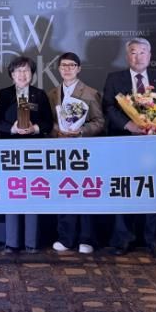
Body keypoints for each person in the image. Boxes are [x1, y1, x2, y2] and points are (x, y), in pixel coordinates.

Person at [103, 37, 156, 259]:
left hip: (154, 146)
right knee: (124, 190)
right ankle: (123, 239)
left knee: (155, 192)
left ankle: (155, 241)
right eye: (133, 52)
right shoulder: (115, 79)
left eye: (142, 52)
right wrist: (129, 125)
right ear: (127, 56)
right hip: (125, 143)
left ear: (149, 56)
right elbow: (108, 107)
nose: (138, 56)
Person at [0, 56, 53, 254]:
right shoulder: (3, 95)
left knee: (32, 194)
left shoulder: (40, 95)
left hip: (34, 151)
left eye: (26, 70)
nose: (22, 74)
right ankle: (12, 242)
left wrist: (35, 128)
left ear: (32, 74)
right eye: (18, 71)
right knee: (12, 194)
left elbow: (48, 122)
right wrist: (12, 129)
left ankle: (31, 242)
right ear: (12, 74)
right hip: (9, 150)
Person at [47, 52, 104, 254]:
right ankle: (66, 238)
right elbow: (48, 122)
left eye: (72, 65)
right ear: (59, 69)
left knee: (85, 194)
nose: (67, 69)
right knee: (65, 193)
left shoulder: (90, 92)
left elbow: (99, 122)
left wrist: (80, 131)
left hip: (83, 152)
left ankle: (86, 239)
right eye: (63, 65)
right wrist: (58, 130)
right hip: (61, 151)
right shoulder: (52, 93)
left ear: (79, 68)